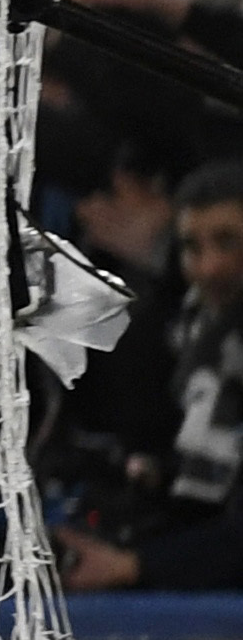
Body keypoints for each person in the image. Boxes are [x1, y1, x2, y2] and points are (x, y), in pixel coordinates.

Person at [60, 161, 243, 594]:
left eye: (228, 242)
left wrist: (134, 566)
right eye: (192, 248)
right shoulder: (183, 339)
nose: (210, 268)